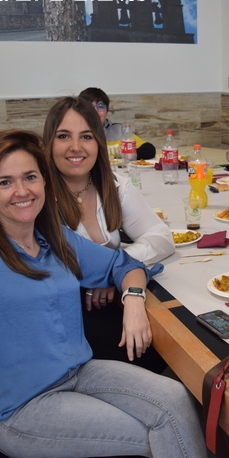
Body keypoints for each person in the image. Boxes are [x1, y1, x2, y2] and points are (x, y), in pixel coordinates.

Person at [0, 130, 209, 458]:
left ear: (44, 180)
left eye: (30, 177)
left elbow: (123, 265)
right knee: (163, 430)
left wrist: (134, 299)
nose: (22, 191)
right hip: (21, 410)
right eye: (5, 182)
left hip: (80, 373)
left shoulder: (54, 240)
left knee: (177, 400)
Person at [42, 96, 174, 373]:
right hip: (60, 319)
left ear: (98, 143)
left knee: (166, 345)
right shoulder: (36, 194)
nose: (75, 147)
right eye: (63, 136)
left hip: (110, 302)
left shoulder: (114, 185)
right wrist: (106, 271)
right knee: (156, 355)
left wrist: (113, 270)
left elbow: (161, 236)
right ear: (49, 142)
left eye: (86, 136)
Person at [78, 87, 156, 159]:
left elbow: (149, 149)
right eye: (90, 107)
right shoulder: (75, 132)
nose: (95, 111)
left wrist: (133, 154)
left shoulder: (119, 131)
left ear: (107, 110)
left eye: (100, 106)